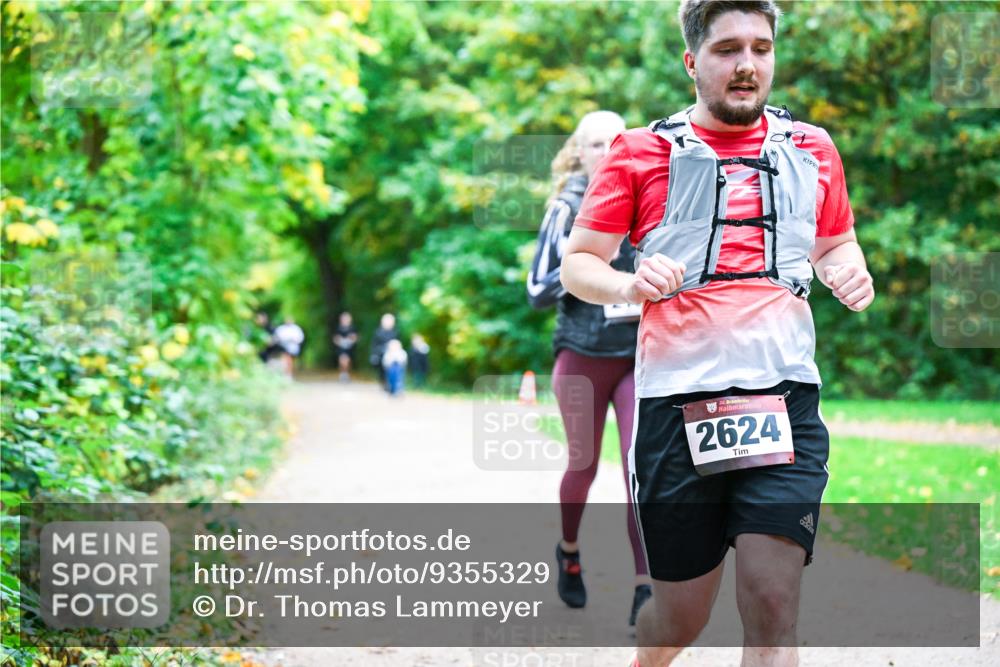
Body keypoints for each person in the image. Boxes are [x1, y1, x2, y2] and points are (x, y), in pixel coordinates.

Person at [559, 2, 875, 665]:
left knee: (772, 599)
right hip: (679, 406)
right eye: (728, 49)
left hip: (784, 401)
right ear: (692, 61)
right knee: (679, 618)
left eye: (761, 48)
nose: (747, 64)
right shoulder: (640, 152)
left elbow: (835, 241)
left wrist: (849, 272)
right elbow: (580, 261)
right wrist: (628, 283)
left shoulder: (812, 148)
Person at [526, 110, 652, 628]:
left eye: (614, 142)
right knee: (583, 464)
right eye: (595, 144)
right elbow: (535, 290)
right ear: (579, 152)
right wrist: (591, 268)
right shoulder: (566, 207)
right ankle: (569, 549)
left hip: (635, 355)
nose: (606, 152)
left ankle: (645, 587)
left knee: (637, 470)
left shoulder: (648, 198)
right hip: (581, 354)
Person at [369, 313, 399, 391]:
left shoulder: (395, 332)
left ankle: (392, 383)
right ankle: (383, 382)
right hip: (381, 354)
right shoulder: (378, 332)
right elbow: (374, 345)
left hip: (393, 354)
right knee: (382, 369)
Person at [333, 311, 358, 382]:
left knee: (348, 361)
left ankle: (346, 373)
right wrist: (340, 341)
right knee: (343, 360)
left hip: (350, 348)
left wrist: (350, 340)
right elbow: (335, 338)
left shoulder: (352, 328)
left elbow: (356, 337)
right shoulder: (338, 328)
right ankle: (342, 374)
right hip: (341, 348)